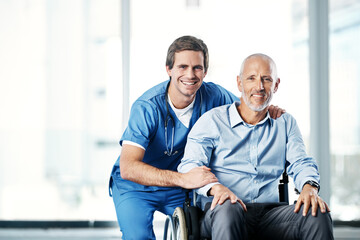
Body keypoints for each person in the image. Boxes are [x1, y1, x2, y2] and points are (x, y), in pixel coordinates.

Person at [109, 36, 284, 240]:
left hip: (180, 186)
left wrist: (265, 108)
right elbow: (129, 167)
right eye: (182, 66)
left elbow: (247, 105)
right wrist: (183, 179)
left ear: (205, 71)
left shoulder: (214, 96)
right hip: (137, 186)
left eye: (197, 68)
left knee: (203, 227)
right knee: (138, 236)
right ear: (169, 69)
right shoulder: (147, 107)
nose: (190, 75)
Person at [178, 53, 334, 240]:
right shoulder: (213, 121)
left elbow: (301, 161)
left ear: (275, 85)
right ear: (239, 83)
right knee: (228, 208)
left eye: (266, 79)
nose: (259, 86)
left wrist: (309, 187)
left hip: (271, 215)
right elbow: (189, 166)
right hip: (222, 211)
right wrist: (216, 188)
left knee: (317, 212)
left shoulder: (285, 123)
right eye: (251, 78)